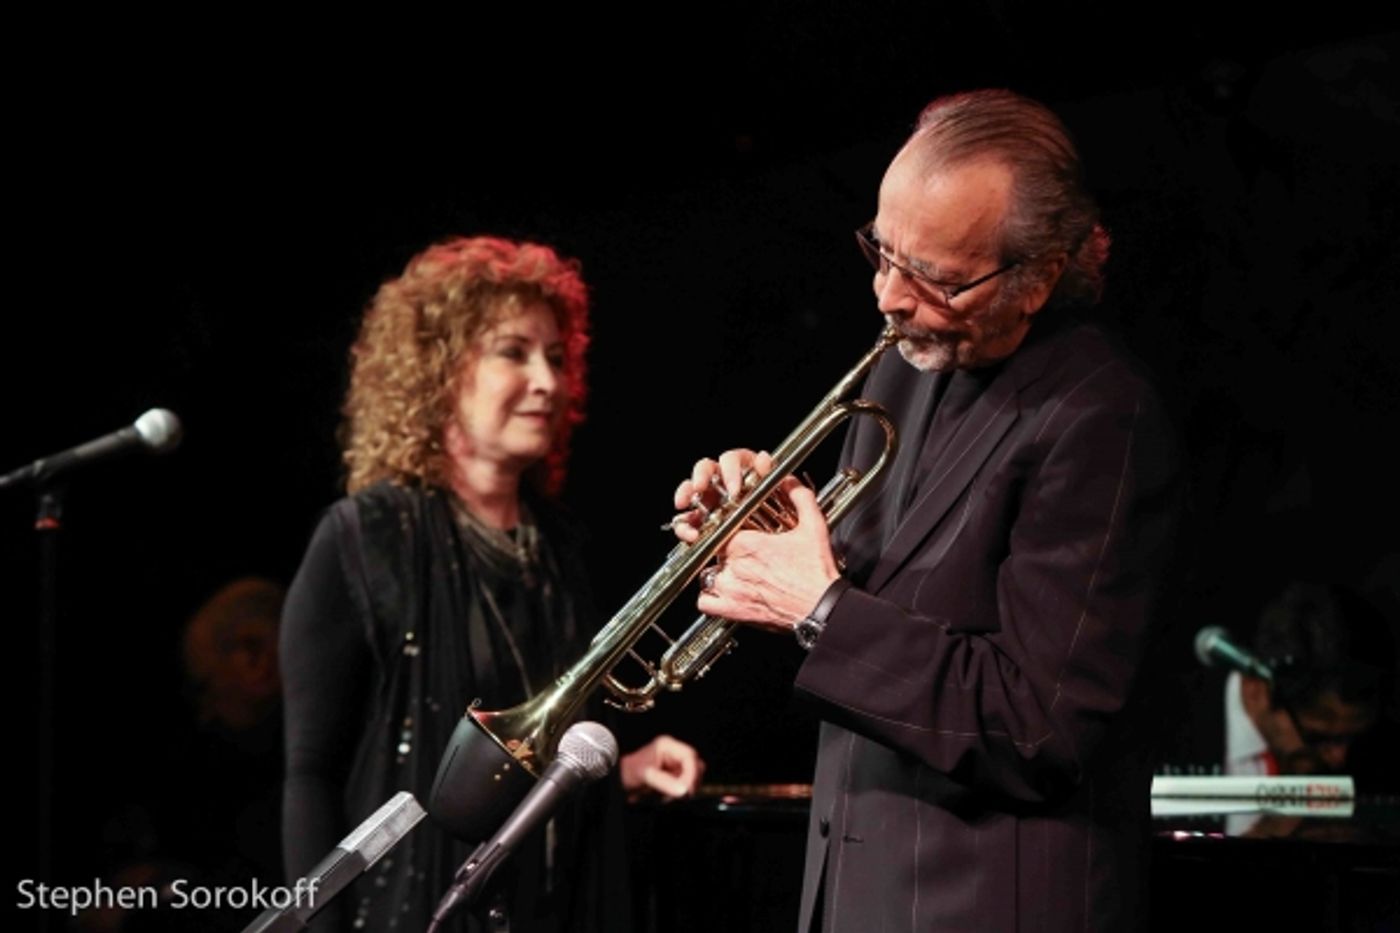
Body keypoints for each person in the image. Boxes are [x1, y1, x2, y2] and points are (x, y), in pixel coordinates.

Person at [671, 89, 1182, 931]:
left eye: (933, 276)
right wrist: (762, 535)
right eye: (882, 251)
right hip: (856, 892)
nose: (887, 296)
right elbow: (881, 610)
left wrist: (820, 607)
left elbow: (1038, 727)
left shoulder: (1100, 415)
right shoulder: (903, 369)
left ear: (1038, 277)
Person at [281, 236, 703, 932]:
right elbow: (310, 778)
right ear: (438, 369)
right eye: (514, 351)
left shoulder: (559, 545)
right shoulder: (366, 536)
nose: (548, 380)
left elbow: (514, 767)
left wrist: (616, 773)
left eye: (558, 358)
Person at [1223, 580, 1396, 781]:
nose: (1338, 758)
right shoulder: (1181, 736)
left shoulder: (1385, 755)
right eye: (1318, 737)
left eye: (1353, 737)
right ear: (1255, 691)